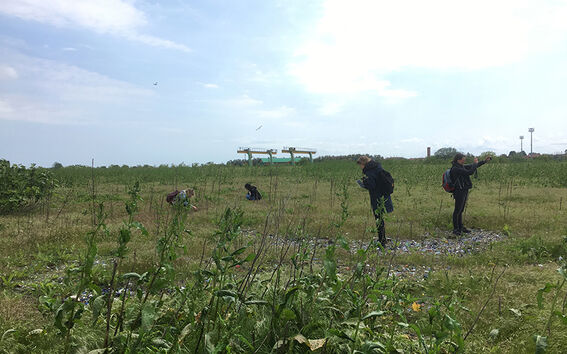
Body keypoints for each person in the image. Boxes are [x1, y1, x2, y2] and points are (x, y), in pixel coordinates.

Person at [449, 153, 491, 235]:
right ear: (458, 160)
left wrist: (484, 161)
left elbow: (473, 166)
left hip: (464, 189)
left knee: (461, 210)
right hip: (459, 191)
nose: (464, 161)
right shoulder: (455, 169)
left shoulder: (461, 166)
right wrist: (475, 163)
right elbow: (470, 172)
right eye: (463, 160)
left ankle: (460, 227)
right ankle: (456, 229)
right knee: (457, 210)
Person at [356, 156, 393, 246]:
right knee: (381, 217)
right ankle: (382, 238)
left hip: (377, 196)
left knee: (378, 218)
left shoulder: (370, 171)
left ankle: (382, 240)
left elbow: (372, 185)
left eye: (360, 165)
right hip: (384, 195)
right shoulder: (378, 167)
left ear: (363, 163)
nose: (360, 167)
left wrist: (364, 183)